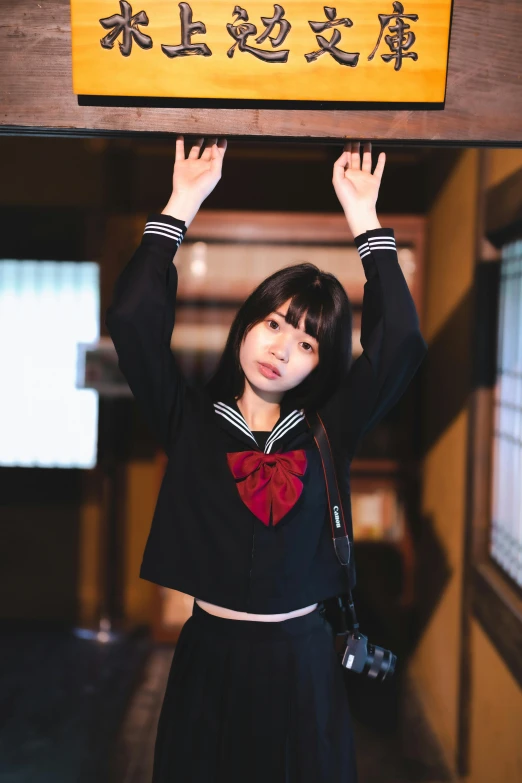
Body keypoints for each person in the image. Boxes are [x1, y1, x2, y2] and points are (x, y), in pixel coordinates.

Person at [106, 136, 427, 783]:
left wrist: (366, 221)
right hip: (209, 653)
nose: (282, 347)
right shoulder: (190, 419)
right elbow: (135, 321)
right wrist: (181, 203)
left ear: (319, 362)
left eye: (307, 340)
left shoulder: (328, 428)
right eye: (275, 322)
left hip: (300, 658)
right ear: (247, 324)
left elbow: (400, 347)